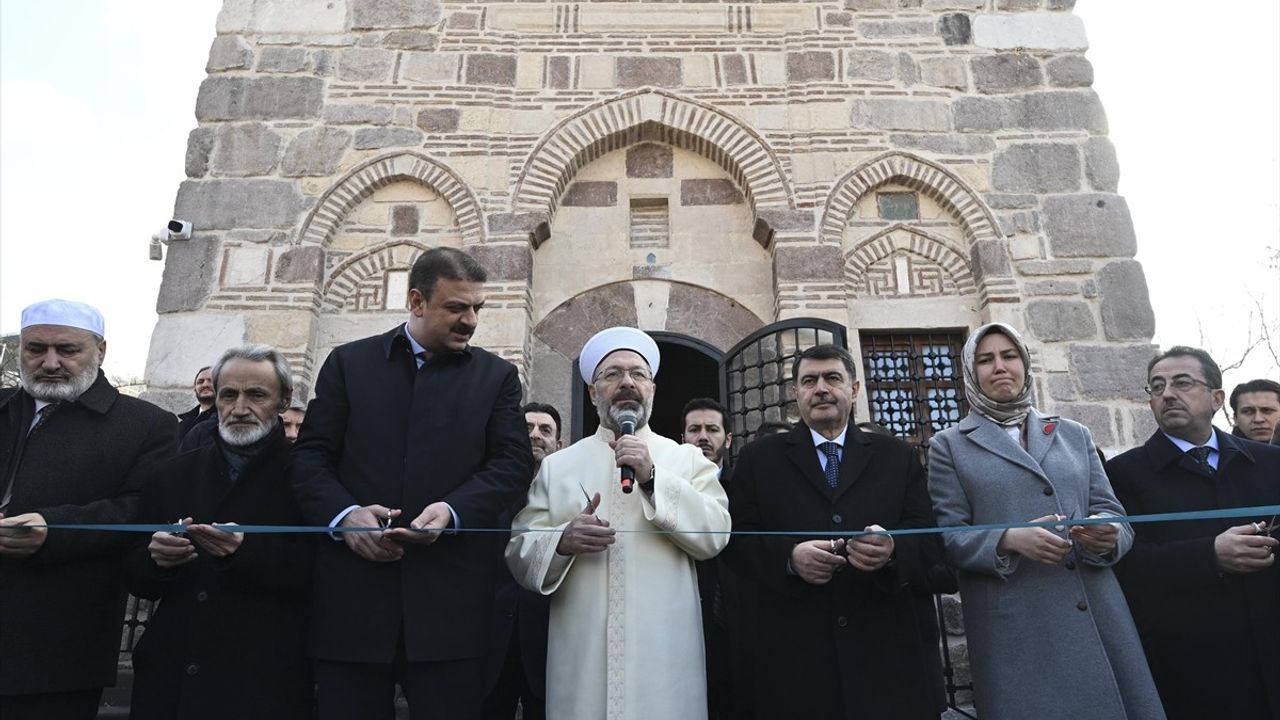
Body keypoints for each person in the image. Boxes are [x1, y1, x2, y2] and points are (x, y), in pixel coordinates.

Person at [289, 247, 533, 720]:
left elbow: (510, 464)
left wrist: (453, 511)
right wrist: (346, 518)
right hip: (353, 605)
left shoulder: (497, 377)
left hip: (451, 610)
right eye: (456, 307)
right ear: (417, 302)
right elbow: (310, 460)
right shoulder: (348, 364)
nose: (470, 321)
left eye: (477, 308)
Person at [928, 323, 1164, 720]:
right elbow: (948, 536)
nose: (999, 367)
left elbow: (1113, 512)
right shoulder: (949, 445)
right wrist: (1008, 539)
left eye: (1009, 356)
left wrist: (1107, 534)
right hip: (1017, 624)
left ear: (1024, 363)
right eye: (985, 360)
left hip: (1094, 608)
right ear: (971, 372)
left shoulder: (1073, 434)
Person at [506, 327, 731, 720]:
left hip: (666, 656)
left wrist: (653, 478)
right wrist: (562, 540)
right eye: (612, 374)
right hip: (580, 657)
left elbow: (716, 534)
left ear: (653, 390)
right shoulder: (558, 466)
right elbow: (519, 550)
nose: (627, 382)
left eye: (637, 374)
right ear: (593, 393)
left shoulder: (687, 461)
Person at [724, 344, 942, 719]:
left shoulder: (897, 456)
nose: (821, 388)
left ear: (854, 389)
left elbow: (928, 541)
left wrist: (891, 552)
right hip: (796, 664)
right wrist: (789, 560)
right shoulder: (759, 460)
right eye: (809, 381)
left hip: (883, 657)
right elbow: (737, 542)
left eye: (832, 378)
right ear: (796, 394)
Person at [0, 299, 177, 719]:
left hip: (59, 642)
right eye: (36, 349)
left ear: (100, 351)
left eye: (67, 350)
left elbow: (143, 510)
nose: (49, 362)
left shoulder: (146, 424)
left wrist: (55, 529)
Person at [125, 345, 314, 720]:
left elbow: (323, 571)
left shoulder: (309, 478)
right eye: (229, 394)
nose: (240, 408)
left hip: (264, 679)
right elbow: (134, 574)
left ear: (283, 400)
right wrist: (157, 560)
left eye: (256, 395)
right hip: (173, 676)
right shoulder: (172, 474)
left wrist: (244, 554)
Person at [1108, 346, 1280, 720]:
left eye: (1182, 383)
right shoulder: (1123, 474)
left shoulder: (1270, 464)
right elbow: (1123, 565)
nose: (1167, 394)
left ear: (1217, 398)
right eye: (1157, 387)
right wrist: (1209, 555)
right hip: (1191, 669)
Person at [482, 403, 561, 720]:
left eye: (545, 430)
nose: (536, 436)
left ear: (559, 444)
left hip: (548, 643)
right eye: (527, 428)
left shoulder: (568, 495)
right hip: (488, 642)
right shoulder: (487, 489)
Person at [681, 397, 743, 720]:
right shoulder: (668, 487)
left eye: (712, 429)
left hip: (737, 614)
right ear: (683, 438)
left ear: (728, 439)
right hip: (685, 612)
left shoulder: (746, 486)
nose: (703, 436)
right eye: (694, 429)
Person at [1228, 378, 1280, 443]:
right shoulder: (1218, 451)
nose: (1258, 419)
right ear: (1235, 418)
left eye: (1267, 410)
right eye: (1247, 411)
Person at [177, 366, 215, 440]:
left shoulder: (226, 419)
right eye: (200, 382)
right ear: (195, 388)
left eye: (211, 381)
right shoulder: (182, 424)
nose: (205, 385)